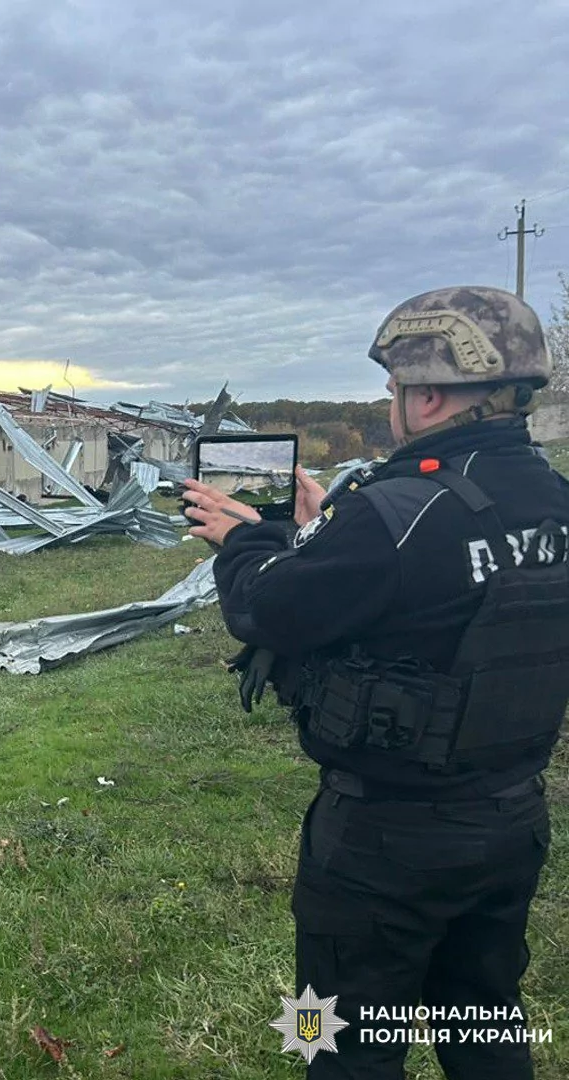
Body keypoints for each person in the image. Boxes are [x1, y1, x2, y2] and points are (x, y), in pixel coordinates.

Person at [182, 286, 569, 1080]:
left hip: (383, 839)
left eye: (391, 390)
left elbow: (267, 609)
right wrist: (317, 528)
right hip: (511, 818)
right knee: (485, 1017)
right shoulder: (553, 498)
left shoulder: (395, 512)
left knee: (334, 1039)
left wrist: (241, 542)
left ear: (426, 395)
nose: (390, 405)